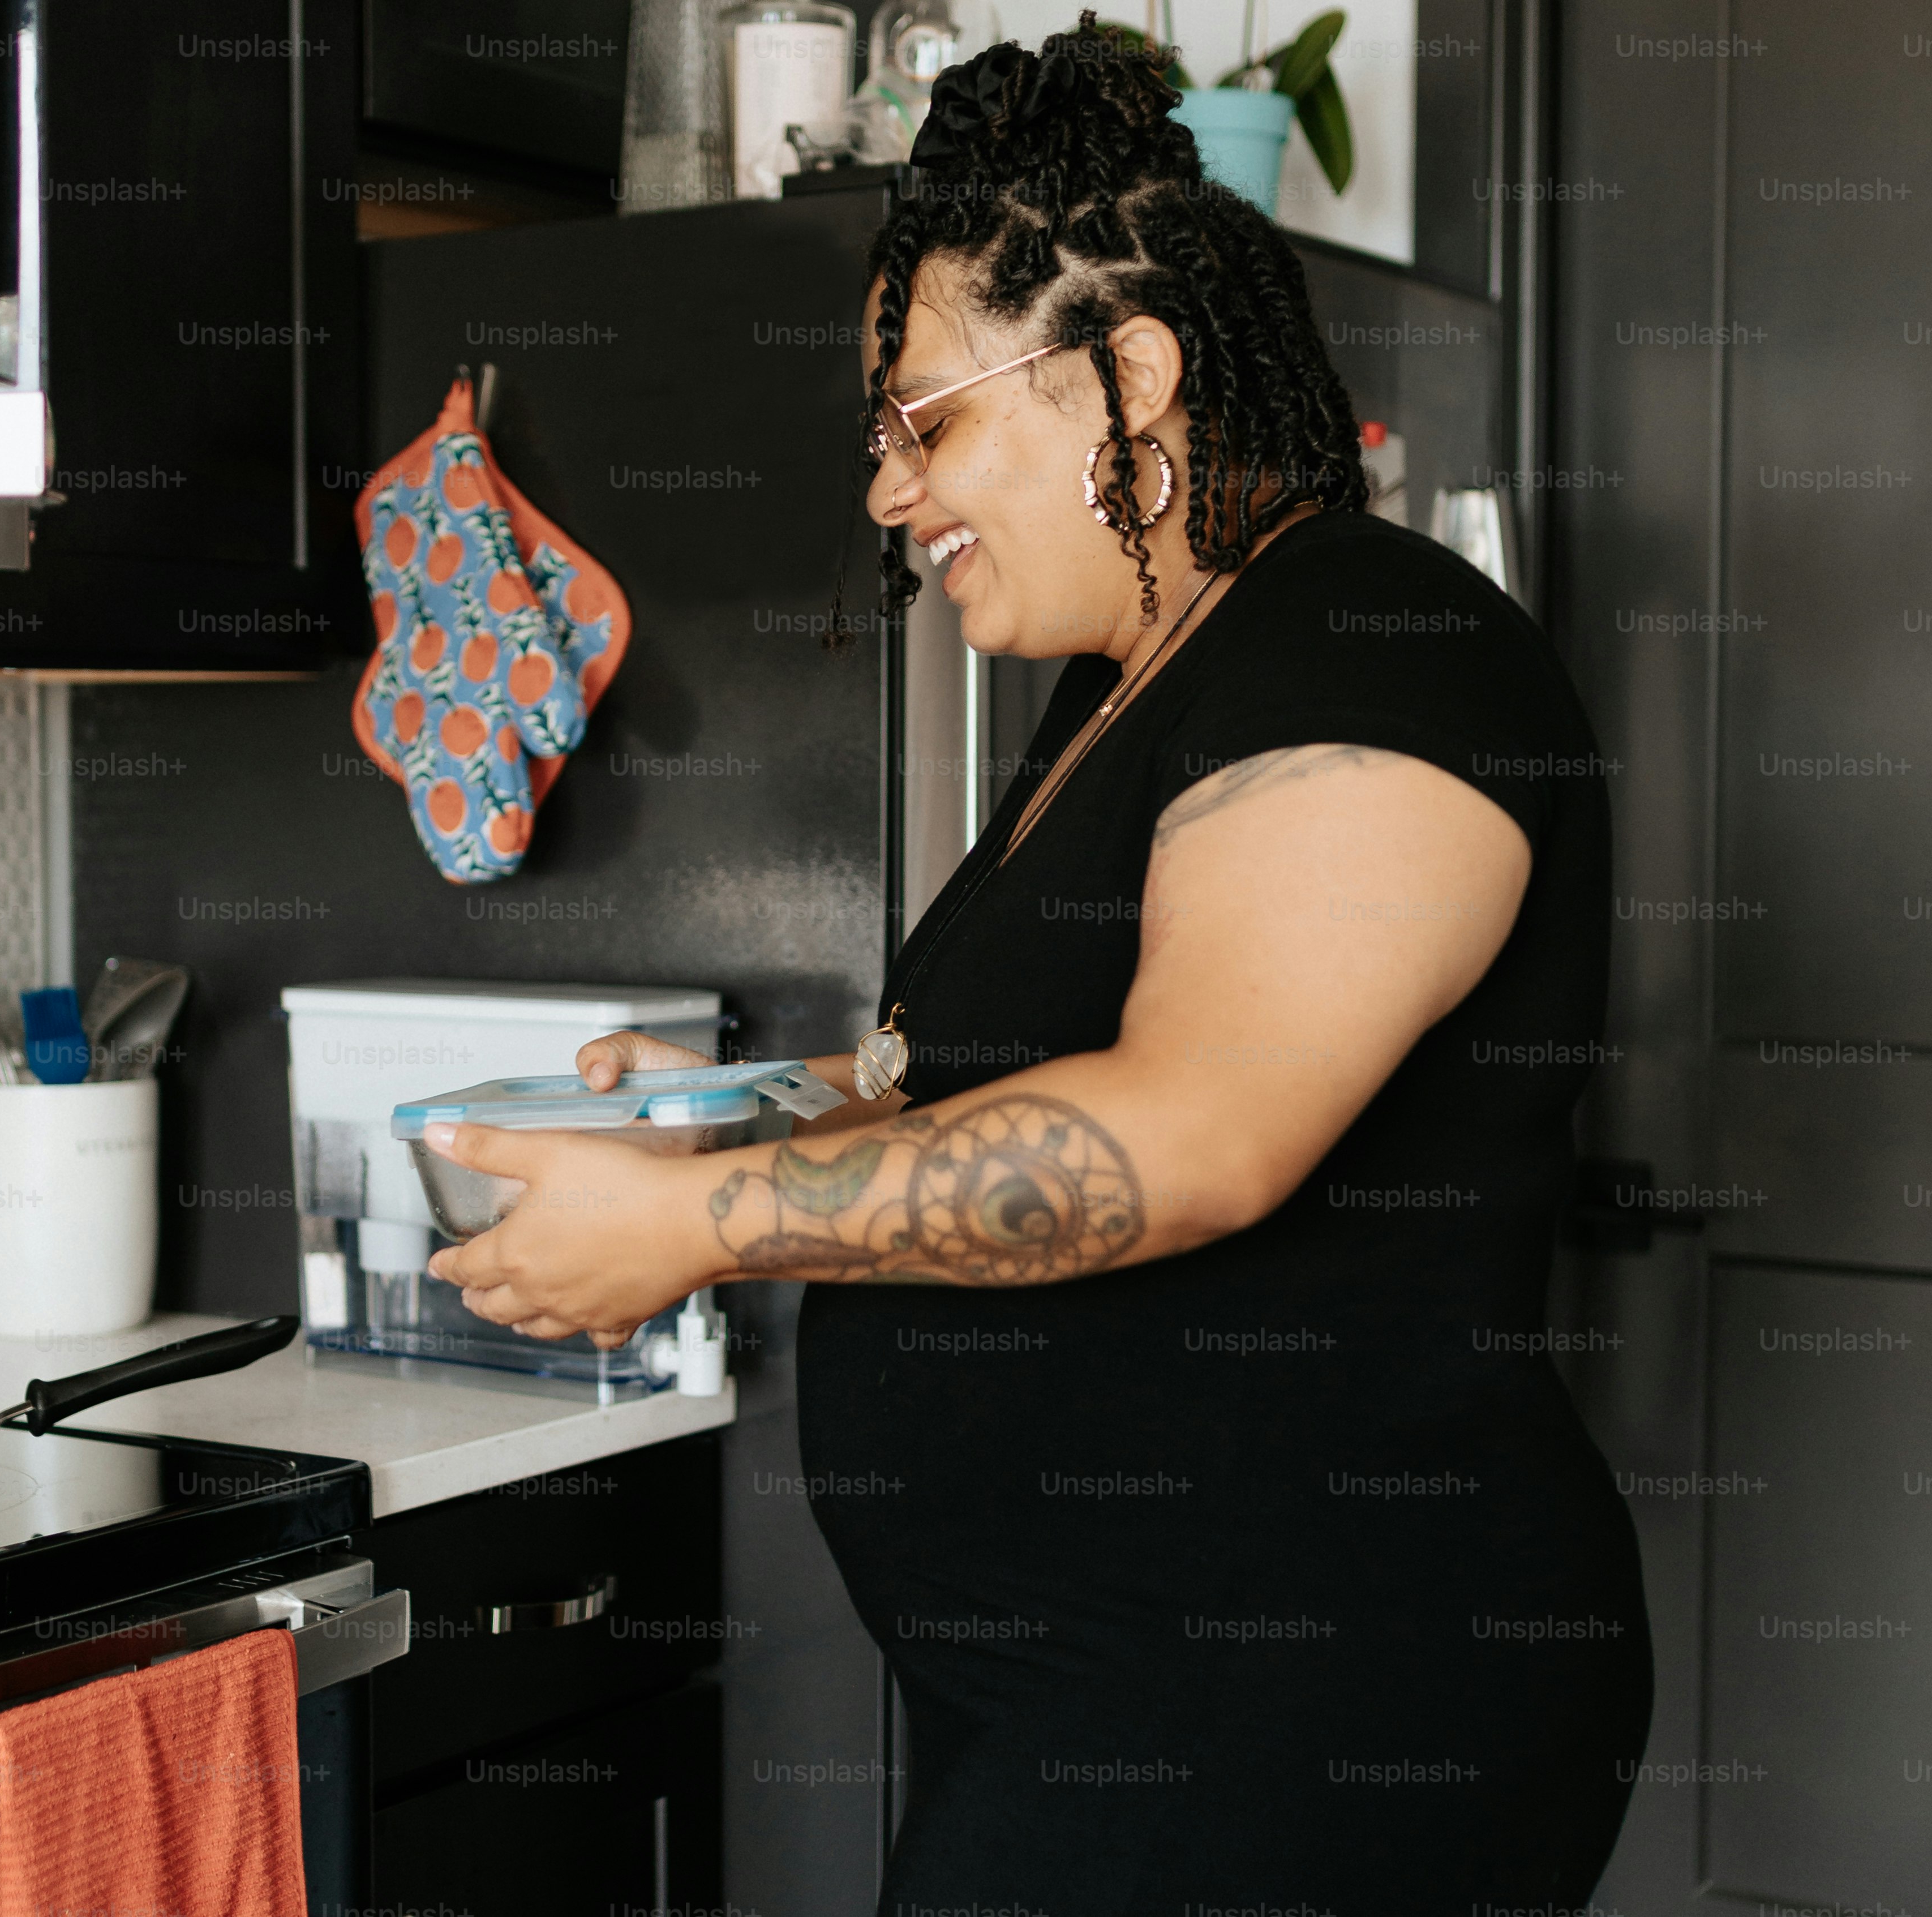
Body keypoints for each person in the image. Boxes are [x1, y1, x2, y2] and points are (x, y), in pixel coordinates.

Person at [420, 17, 1652, 1911]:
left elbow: (1191, 1132)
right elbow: (1011, 1074)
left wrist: (717, 1223)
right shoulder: (1123, 693)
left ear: (1130, 379)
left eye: (926, 421)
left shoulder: (1379, 647)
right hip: (1131, 1701)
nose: (887, 495)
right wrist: (733, 1117)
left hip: (1316, 1703)